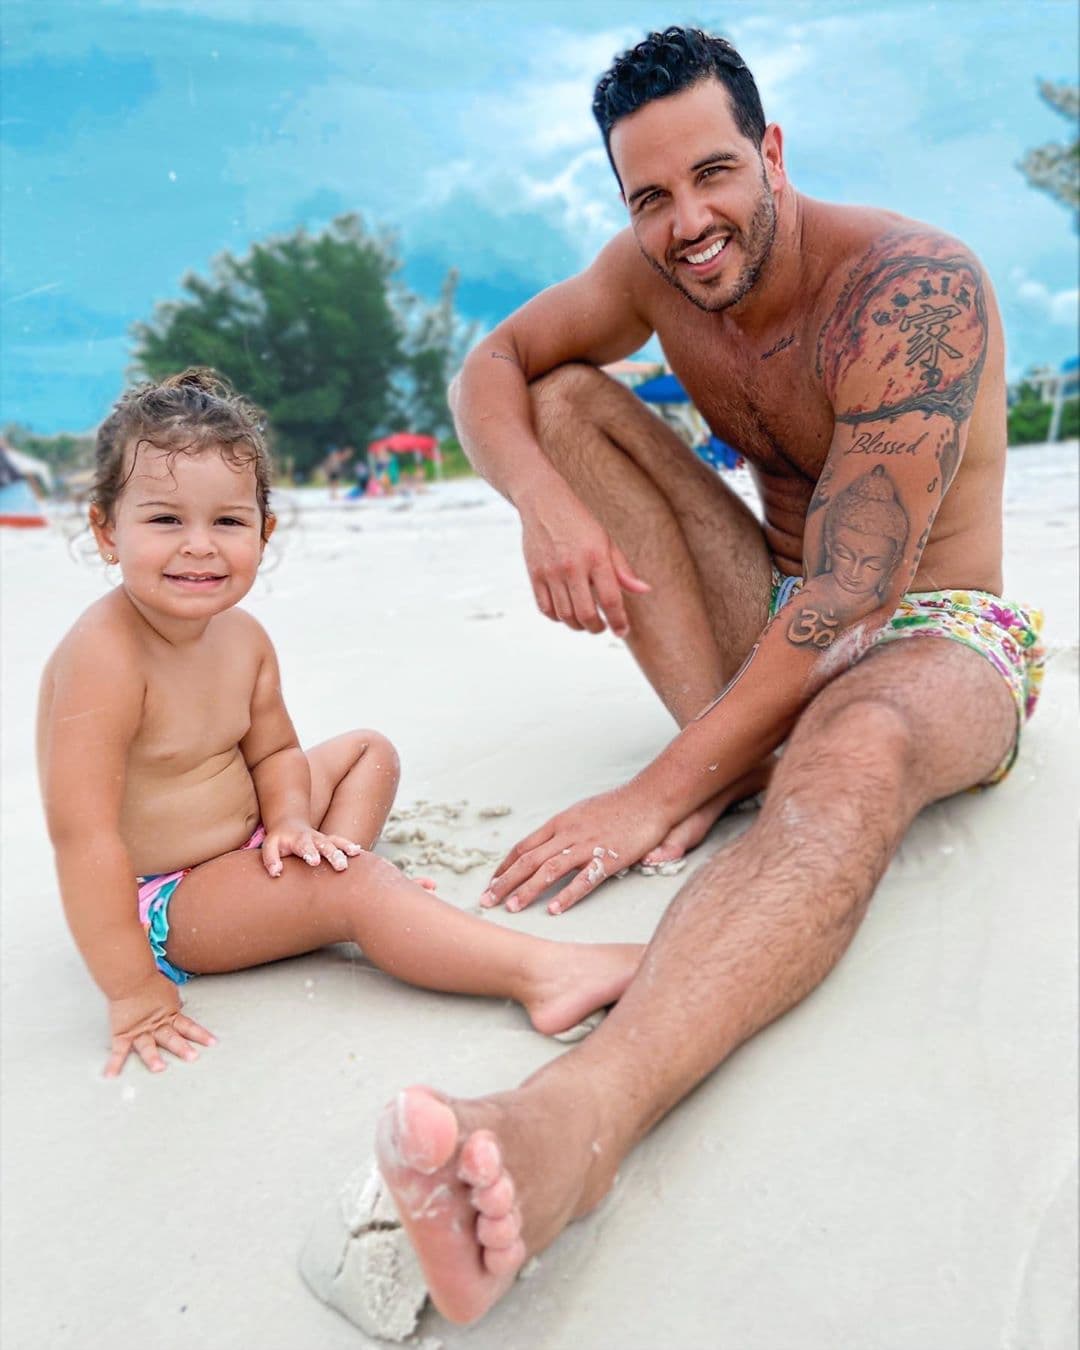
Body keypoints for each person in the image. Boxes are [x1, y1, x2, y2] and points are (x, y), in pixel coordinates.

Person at [374, 27, 1044, 1324]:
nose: (689, 223)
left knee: (849, 750)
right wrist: (543, 506)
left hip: (928, 627)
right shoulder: (654, 271)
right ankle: (748, 765)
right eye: (651, 197)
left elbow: (854, 595)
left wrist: (662, 784)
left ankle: (566, 1129)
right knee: (564, 398)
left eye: (716, 175)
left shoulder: (911, 287)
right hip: (773, 619)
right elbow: (488, 369)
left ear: (773, 151)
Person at [36, 369, 641, 1079]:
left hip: (252, 841)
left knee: (365, 753)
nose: (199, 545)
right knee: (355, 891)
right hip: (171, 901)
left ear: (263, 532)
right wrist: (132, 989)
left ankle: (326, 885)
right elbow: (84, 839)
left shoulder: (242, 638)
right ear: (107, 530)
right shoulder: (102, 660)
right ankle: (542, 974)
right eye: (166, 519)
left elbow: (275, 754)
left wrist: (293, 824)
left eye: (226, 521)